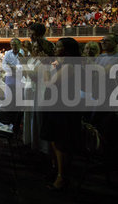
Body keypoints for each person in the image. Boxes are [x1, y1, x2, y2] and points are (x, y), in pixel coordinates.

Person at [40, 37, 82, 190]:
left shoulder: (70, 66)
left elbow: (50, 84)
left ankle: (61, 177)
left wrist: (45, 70)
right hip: (56, 104)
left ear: (67, 49)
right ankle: (57, 171)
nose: (55, 49)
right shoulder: (63, 64)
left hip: (63, 107)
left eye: (58, 46)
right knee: (54, 140)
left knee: (60, 143)